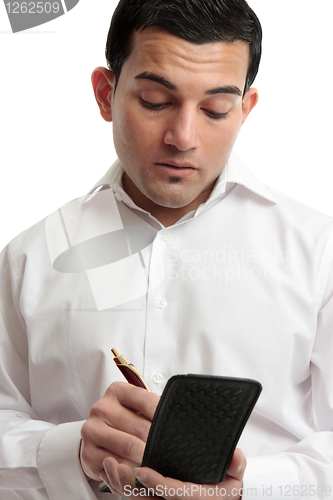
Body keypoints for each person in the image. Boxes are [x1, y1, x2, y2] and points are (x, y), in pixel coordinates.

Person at [0, 0, 333, 499]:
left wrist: (246, 488)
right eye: (156, 101)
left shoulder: (319, 253)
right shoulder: (31, 256)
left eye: (217, 109)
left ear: (245, 109)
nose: (183, 138)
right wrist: (75, 452)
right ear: (105, 94)